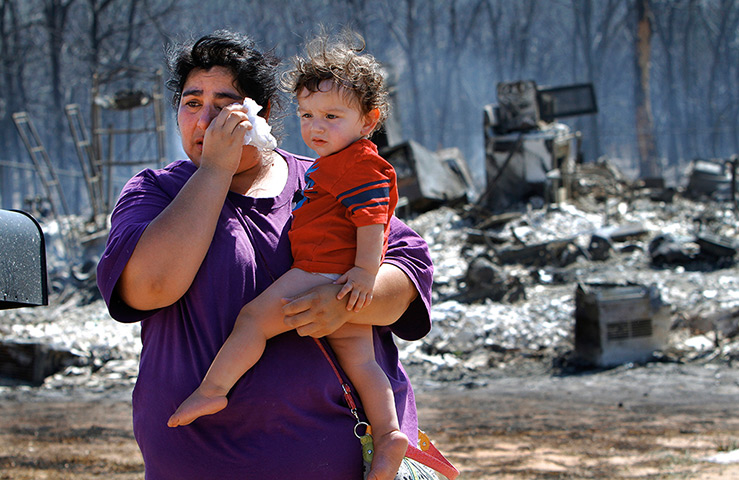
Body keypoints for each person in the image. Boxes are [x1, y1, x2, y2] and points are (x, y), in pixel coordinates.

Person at [96, 30, 434, 480]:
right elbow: (150, 288)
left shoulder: (328, 178)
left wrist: (346, 303)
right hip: (200, 462)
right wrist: (216, 167)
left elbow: (407, 273)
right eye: (192, 103)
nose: (206, 121)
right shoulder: (157, 192)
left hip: (336, 458)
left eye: (224, 105)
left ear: (263, 114)